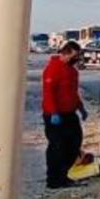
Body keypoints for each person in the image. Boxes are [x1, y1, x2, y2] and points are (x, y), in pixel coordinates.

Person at [42, 41, 87, 190]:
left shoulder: (72, 71)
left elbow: (73, 93)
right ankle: (53, 180)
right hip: (55, 115)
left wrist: (81, 108)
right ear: (66, 53)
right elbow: (49, 93)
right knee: (57, 147)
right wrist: (54, 112)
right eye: (74, 56)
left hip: (70, 114)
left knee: (74, 144)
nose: (76, 59)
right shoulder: (53, 69)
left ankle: (63, 175)